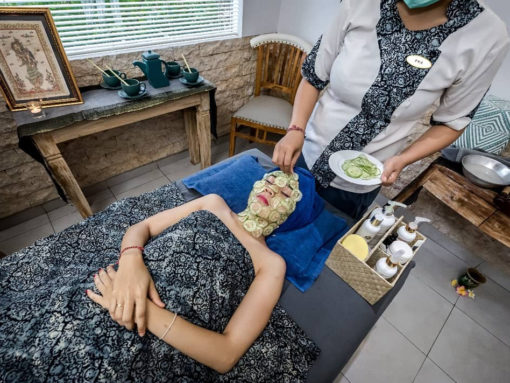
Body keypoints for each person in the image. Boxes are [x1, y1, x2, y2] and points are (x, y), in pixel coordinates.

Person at [0, 169, 319, 382]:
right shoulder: (213, 204)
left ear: (289, 213)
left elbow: (226, 354)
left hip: (147, 337)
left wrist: (142, 311)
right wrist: (131, 264)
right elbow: (143, 228)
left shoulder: (270, 263)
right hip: (114, 284)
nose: (273, 187)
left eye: (285, 192)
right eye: (272, 180)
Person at [272, 0, 510, 220]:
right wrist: (296, 129)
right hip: (305, 153)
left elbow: (453, 122)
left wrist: (403, 159)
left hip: (359, 180)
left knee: (317, 244)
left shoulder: (488, 36)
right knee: (272, 220)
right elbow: (314, 76)